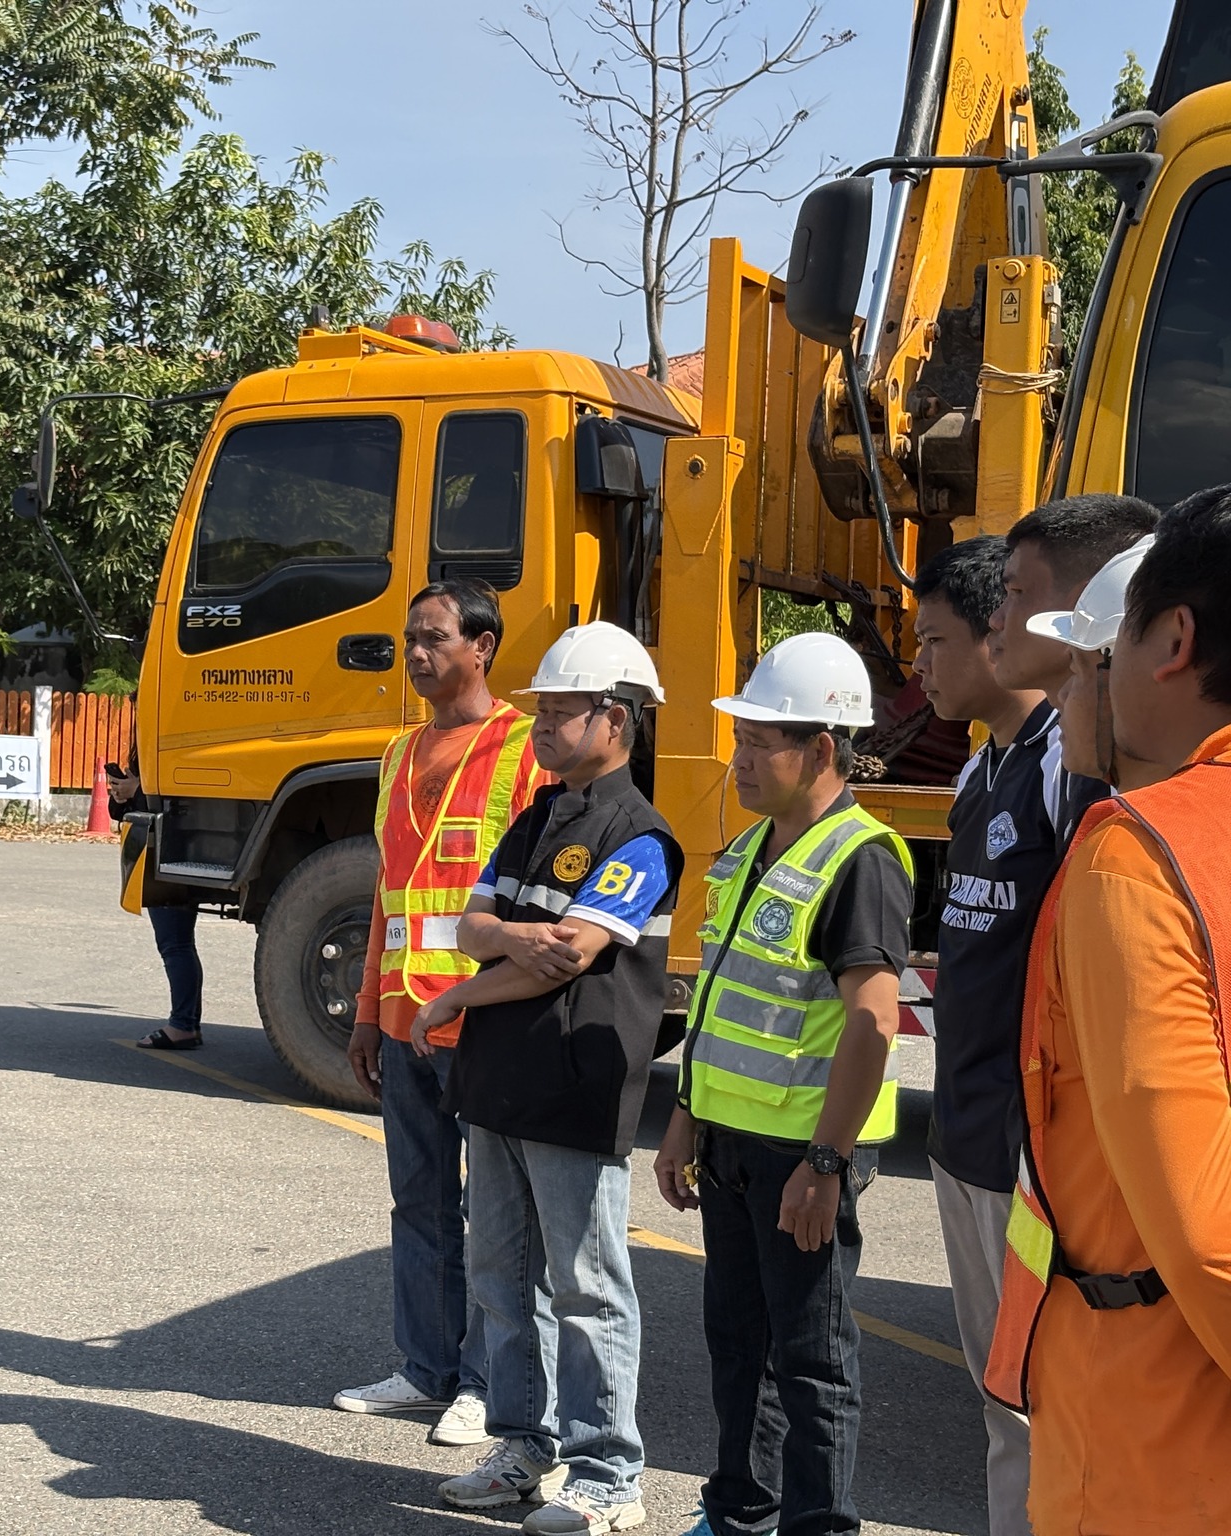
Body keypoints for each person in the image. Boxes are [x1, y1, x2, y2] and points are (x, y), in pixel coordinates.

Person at [986, 489, 1231, 1533]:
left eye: (1095, 656)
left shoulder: (1139, 858)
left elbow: (1206, 1235)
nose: (1072, 694)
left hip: (1156, 1436)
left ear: (1170, 641)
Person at [408, 624, 681, 1534]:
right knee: (501, 1275)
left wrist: (462, 992)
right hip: (500, 1082)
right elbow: (472, 925)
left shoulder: (642, 837)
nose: (544, 727)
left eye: (562, 712)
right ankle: (525, 1444)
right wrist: (507, 941)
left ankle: (609, 1473)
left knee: (588, 1286)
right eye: (543, 712)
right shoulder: (536, 818)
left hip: (573, 1088)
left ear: (617, 719)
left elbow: (571, 954)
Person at [654, 632, 913, 1536]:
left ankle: (818, 1526)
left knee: (812, 1361)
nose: (741, 759)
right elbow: (720, 1001)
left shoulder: (861, 858)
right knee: (738, 1347)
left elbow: (874, 1022)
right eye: (741, 739)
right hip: (731, 1143)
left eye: (762, 742)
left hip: (802, 1154)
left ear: (823, 750)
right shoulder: (753, 846)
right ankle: (738, 1510)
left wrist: (826, 1161)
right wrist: (685, 1118)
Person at [335, 579, 545, 1448]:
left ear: (482, 647)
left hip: (482, 1021)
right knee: (418, 1203)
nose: (416, 653)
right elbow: (388, 894)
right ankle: (426, 1368)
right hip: (402, 1022)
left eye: (434, 638)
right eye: (409, 639)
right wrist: (365, 1012)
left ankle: (486, 1383)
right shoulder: (396, 755)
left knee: (496, 1220)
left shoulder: (526, 749)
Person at [907, 537, 1057, 1536]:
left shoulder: (1063, 768)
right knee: (1000, 1401)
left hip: (1024, 1147)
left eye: (934, 641)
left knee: (1041, 1402)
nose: (919, 664)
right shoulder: (979, 772)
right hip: (959, 1135)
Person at [988, 492, 1159, 839]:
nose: (995, 619)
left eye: (1016, 592)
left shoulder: (1139, 772)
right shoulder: (1060, 760)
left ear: (1083, 601)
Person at [110, 748, 205, 1050]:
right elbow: (122, 813)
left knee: (175, 944)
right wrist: (121, 796)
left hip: (171, 851)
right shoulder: (148, 746)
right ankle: (188, 1023)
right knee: (179, 944)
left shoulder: (167, 746)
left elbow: (174, 799)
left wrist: (136, 790)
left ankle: (183, 1025)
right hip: (161, 850)